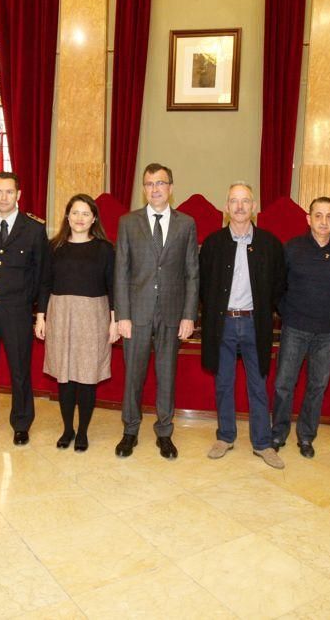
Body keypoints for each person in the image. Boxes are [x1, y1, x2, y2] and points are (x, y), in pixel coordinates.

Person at [114, 163, 199, 459]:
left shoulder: (186, 224)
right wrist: (121, 315)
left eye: (160, 183)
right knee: (133, 376)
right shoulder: (128, 222)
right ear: (143, 188)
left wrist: (189, 315)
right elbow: (121, 272)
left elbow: (192, 273)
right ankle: (130, 430)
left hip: (172, 314)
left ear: (171, 188)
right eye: (149, 184)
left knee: (166, 375)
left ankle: (165, 432)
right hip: (135, 314)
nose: (155, 189)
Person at [199, 183, 286, 469]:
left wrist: (264, 310)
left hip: (254, 323)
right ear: (226, 207)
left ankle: (263, 443)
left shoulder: (270, 244)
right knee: (224, 382)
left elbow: (278, 285)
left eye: (245, 201)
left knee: (258, 385)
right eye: (234, 201)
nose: (239, 207)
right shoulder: (213, 243)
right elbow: (203, 285)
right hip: (222, 324)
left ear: (254, 207)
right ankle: (225, 436)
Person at [272, 196, 330, 458]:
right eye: (318, 215)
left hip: (328, 331)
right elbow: (278, 287)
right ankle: (278, 432)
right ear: (308, 219)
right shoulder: (291, 248)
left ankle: (307, 437)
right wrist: (289, 314)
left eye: (329, 216)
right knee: (284, 384)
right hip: (295, 327)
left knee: (317, 386)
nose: (323, 221)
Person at [0, 172, 50, 446]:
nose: (3, 197)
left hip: (17, 309)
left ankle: (21, 423)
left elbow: (41, 275)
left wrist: (40, 312)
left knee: (19, 369)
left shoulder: (34, 229)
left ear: (19, 195)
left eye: (9, 192)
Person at [35, 194, 118, 452]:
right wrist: (41, 316)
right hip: (60, 313)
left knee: (86, 376)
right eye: (75, 212)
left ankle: (82, 431)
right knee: (65, 375)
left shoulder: (105, 249)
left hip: (94, 315)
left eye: (85, 213)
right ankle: (68, 429)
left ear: (93, 218)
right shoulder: (53, 247)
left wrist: (115, 321)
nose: (80, 218)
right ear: (67, 217)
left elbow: (113, 287)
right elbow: (44, 283)